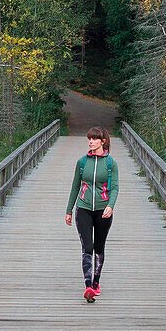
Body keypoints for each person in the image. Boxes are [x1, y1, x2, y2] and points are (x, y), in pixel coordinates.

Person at [65, 126, 119, 302]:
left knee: (99, 247)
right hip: (84, 208)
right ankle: (88, 285)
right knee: (87, 247)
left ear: (102, 142)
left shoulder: (111, 164)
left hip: (103, 210)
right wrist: (69, 210)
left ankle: (96, 282)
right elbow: (75, 186)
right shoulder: (82, 162)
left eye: (95, 139)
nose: (90, 141)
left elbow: (115, 187)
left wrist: (111, 205)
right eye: (89, 138)